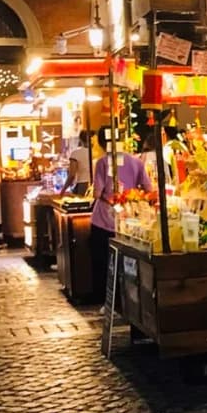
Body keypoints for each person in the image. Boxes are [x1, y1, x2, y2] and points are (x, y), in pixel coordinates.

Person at [90, 127, 152, 307]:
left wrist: (111, 196)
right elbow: (148, 190)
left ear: (102, 143)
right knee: (127, 266)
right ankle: (127, 303)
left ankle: (106, 303)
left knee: (103, 264)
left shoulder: (102, 162)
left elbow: (97, 193)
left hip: (103, 221)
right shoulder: (135, 162)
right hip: (128, 221)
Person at [60, 130, 93, 196]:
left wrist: (63, 190)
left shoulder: (76, 154)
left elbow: (72, 175)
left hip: (82, 185)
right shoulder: (96, 154)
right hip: (96, 185)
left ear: (80, 140)